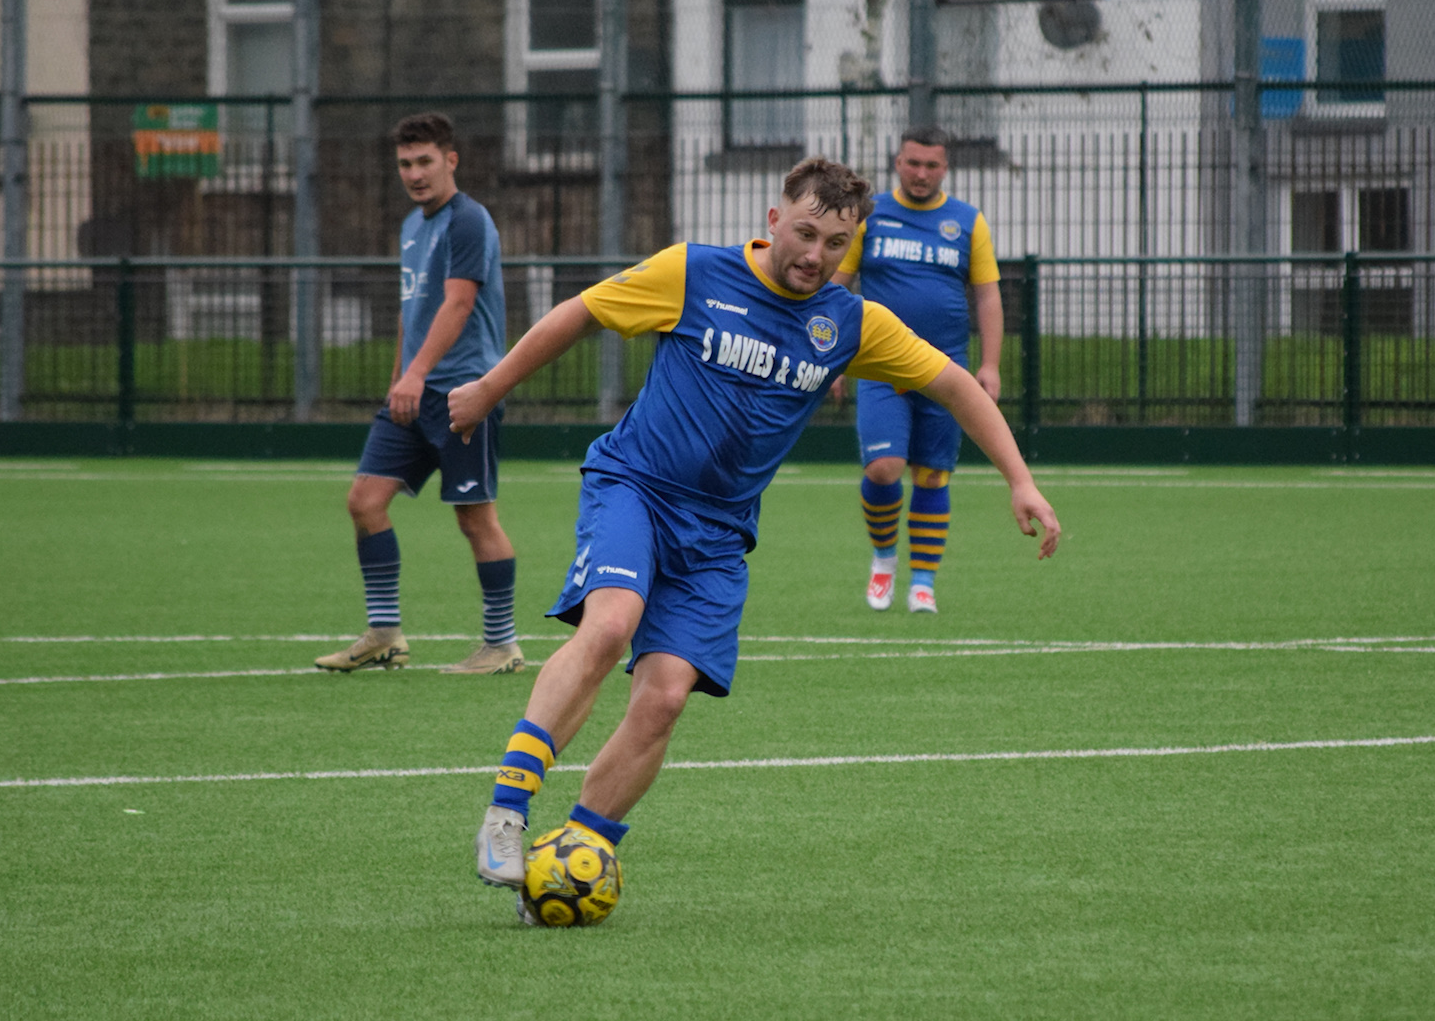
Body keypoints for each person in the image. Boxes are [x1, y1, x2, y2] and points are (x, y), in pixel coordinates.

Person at [443, 156, 1060, 909]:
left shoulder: (849, 322)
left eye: (836, 243)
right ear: (773, 221)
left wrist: (1020, 478)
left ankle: (577, 846)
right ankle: (507, 813)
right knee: (609, 628)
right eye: (805, 232)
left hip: (720, 532)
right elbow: (583, 311)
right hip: (636, 487)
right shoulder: (694, 272)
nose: (816, 255)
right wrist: (488, 388)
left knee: (666, 694)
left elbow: (957, 385)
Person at [315, 113, 523, 676]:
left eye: (425, 161)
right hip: (414, 391)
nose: (415, 173)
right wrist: (399, 377)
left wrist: (418, 374)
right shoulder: (412, 225)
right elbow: (415, 309)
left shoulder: (468, 221)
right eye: (405, 164)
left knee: (474, 519)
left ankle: (501, 644)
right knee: (364, 501)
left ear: (450, 160)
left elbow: (457, 304)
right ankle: (384, 633)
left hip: (464, 393)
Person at [832, 126, 1001, 615]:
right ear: (897, 163)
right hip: (880, 365)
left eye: (931, 165)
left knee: (932, 476)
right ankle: (884, 559)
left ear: (944, 168)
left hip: (946, 368)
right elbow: (839, 285)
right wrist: (834, 356)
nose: (921, 173)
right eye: (913, 163)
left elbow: (987, 295)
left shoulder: (967, 221)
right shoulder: (871, 217)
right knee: (884, 468)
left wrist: (989, 365)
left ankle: (923, 581)